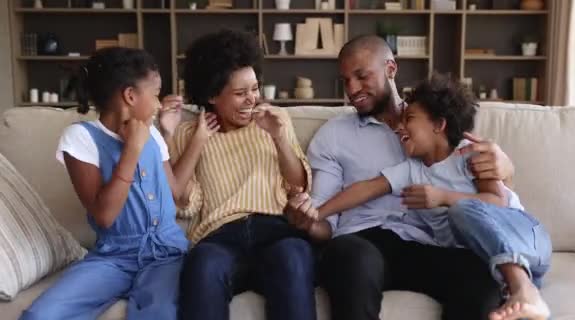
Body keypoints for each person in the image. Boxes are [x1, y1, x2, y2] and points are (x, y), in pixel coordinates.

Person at [285, 35, 527, 320]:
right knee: (350, 254)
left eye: (361, 76)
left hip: (429, 245)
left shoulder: (432, 122)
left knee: (481, 275)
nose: (352, 89)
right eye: (345, 80)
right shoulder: (334, 135)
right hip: (364, 242)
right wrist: (310, 219)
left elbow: (491, 196)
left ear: (390, 69)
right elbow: (332, 217)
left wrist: (506, 170)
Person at [21, 47, 211, 320]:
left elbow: (175, 192)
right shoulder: (80, 138)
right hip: (114, 258)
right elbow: (105, 215)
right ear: (130, 96)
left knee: (159, 313)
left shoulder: (154, 134)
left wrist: (191, 139)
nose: (159, 105)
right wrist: (132, 148)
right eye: (155, 95)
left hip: (166, 254)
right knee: (40, 316)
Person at [161, 30, 316, 320]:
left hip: (274, 231)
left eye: (255, 89)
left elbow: (297, 186)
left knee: (294, 254)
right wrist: (197, 141)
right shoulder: (187, 133)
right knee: (203, 264)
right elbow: (180, 200)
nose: (252, 100)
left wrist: (279, 138)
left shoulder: (275, 120)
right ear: (211, 95)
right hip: (220, 237)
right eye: (240, 93)